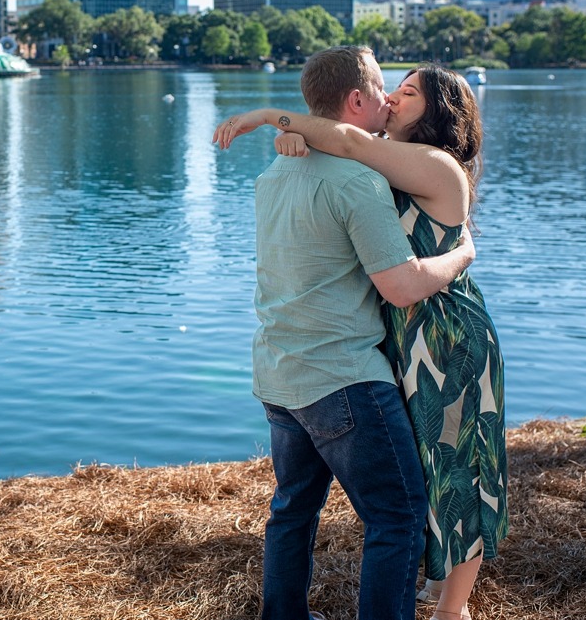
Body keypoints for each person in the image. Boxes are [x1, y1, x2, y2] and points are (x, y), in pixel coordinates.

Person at [213, 62, 508, 620]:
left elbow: (344, 136)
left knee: (459, 471)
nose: (395, 96)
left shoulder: (433, 164)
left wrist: (462, 253)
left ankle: (452, 609)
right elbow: (340, 138)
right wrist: (293, 135)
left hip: (446, 338)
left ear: (439, 111)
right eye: (392, 86)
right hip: (395, 341)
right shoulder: (374, 162)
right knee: (414, 481)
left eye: (409, 90)